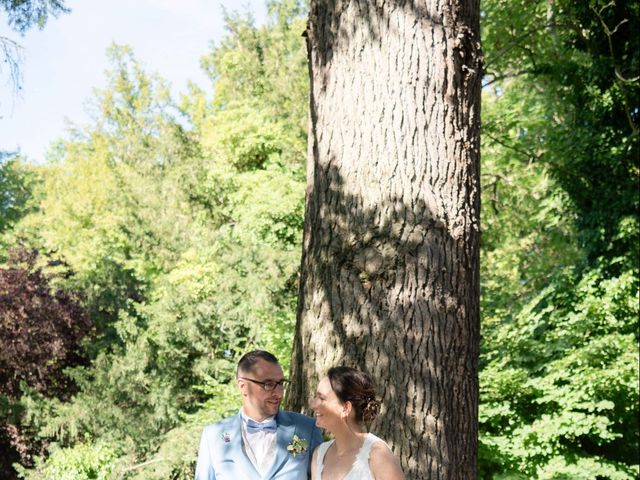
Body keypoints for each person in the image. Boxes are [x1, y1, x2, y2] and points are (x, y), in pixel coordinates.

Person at [195, 350, 323, 479]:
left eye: (281, 384)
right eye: (269, 384)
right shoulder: (213, 436)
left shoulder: (307, 428)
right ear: (243, 386)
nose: (279, 393)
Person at [310, 366, 405, 480]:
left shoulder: (377, 455)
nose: (313, 405)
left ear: (346, 408)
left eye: (322, 398)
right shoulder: (320, 455)